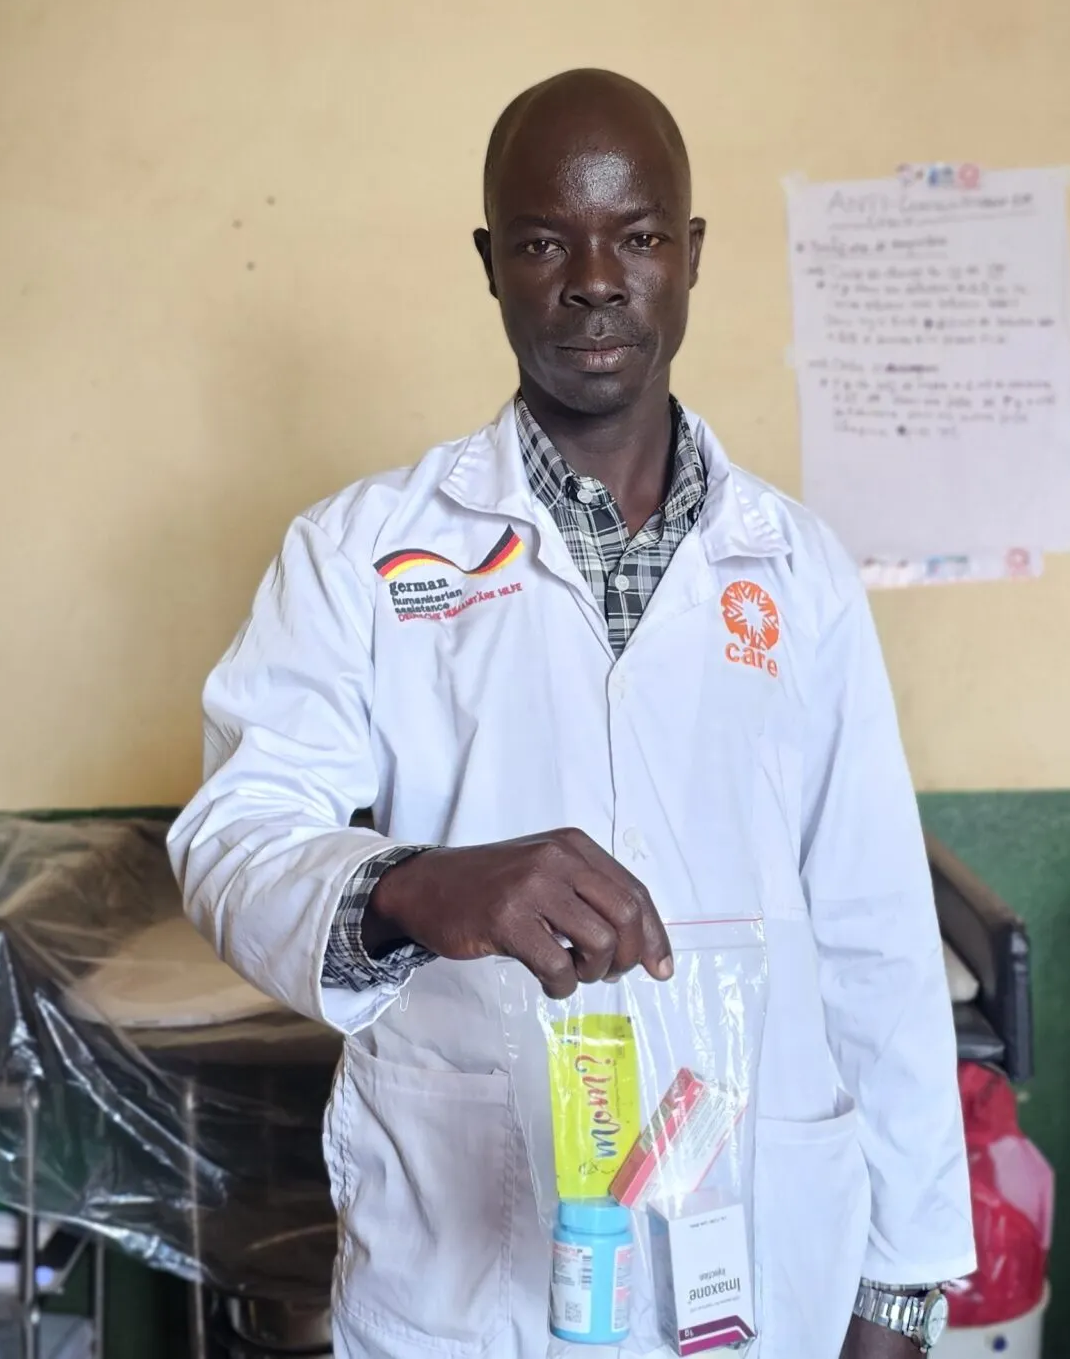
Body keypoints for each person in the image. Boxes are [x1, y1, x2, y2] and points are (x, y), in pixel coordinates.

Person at [169, 69, 973, 1359]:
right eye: (545, 242)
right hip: (470, 1265)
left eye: (637, 236)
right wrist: (413, 884)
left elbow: (874, 928)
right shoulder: (361, 550)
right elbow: (233, 835)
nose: (596, 280)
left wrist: (902, 1286)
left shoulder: (796, 567)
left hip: (762, 1250)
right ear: (491, 263)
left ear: (691, 254)